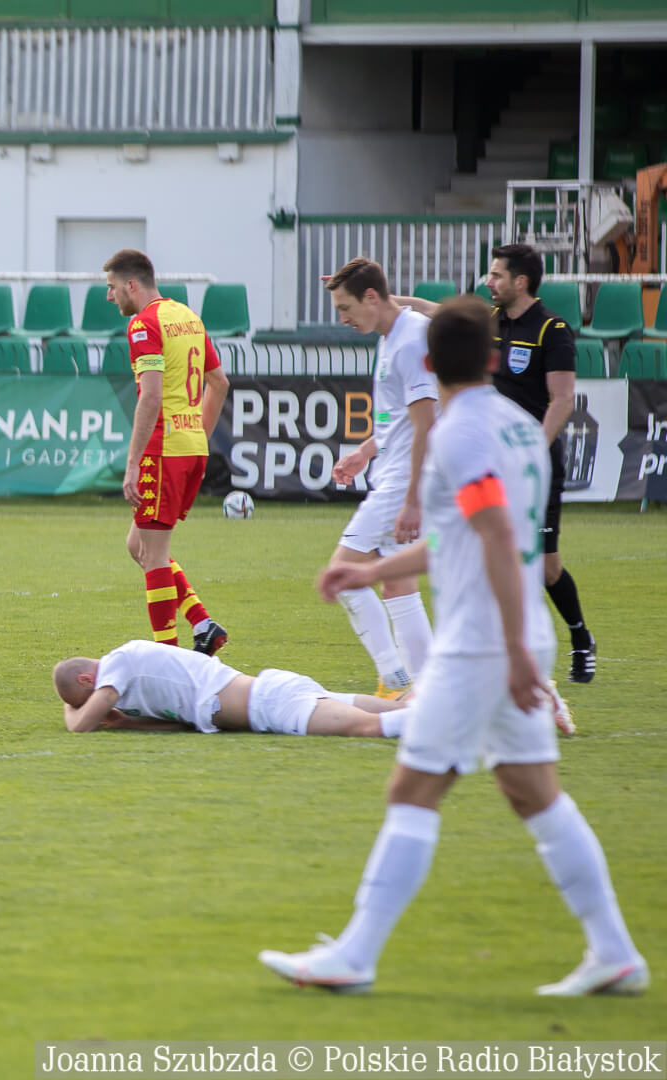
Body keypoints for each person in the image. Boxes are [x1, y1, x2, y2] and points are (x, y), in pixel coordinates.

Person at [260, 297, 646, 997]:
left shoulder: (459, 433)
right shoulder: (518, 425)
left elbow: (493, 532)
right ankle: (616, 952)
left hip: (482, 647)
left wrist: (513, 652)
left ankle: (355, 956)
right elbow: (463, 533)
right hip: (512, 637)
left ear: (430, 362)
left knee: (413, 789)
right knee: (537, 797)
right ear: (494, 358)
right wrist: (373, 571)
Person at [396, 244, 596, 682]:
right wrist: (391, 301)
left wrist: (530, 450)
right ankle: (497, 651)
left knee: (545, 566)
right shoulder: (489, 321)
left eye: (497, 275)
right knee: (482, 548)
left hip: (530, 462)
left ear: (521, 282)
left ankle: (580, 637)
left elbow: (563, 400)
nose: (489, 282)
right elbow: (438, 312)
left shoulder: (551, 330)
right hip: (486, 459)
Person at [103, 249, 231, 653]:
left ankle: (168, 656)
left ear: (131, 285)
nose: (109, 297)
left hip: (164, 450)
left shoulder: (144, 324)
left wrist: (132, 464)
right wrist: (197, 434)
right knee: (138, 546)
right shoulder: (188, 317)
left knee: (155, 555)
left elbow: (151, 397)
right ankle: (203, 623)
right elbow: (219, 383)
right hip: (191, 447)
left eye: (112, 287)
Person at [323, 258, 438, 697]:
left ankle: (393, 678)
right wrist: (364, 452)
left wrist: (412, 500)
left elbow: (427, 424)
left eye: (345, 307)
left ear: (371, 297)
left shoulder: (410, 340)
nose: (343, 319)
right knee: (397, 585)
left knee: (342, 574)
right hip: (396, 474)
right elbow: (400, 421)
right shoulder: (393, 335)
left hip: (404, 482)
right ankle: (424, 689)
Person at [51, 640, 417, 739]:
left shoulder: (119, 662)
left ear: (87, 680)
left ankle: (444, 720)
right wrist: (124, 723)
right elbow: (179, 725)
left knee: (369, 728)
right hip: (271, 698)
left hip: (273, 705)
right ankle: (437, 709)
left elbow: (81, 727)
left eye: (85, 700)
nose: (97, 708)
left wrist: (73, 711)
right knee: (398, 710)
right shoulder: (132, 684)